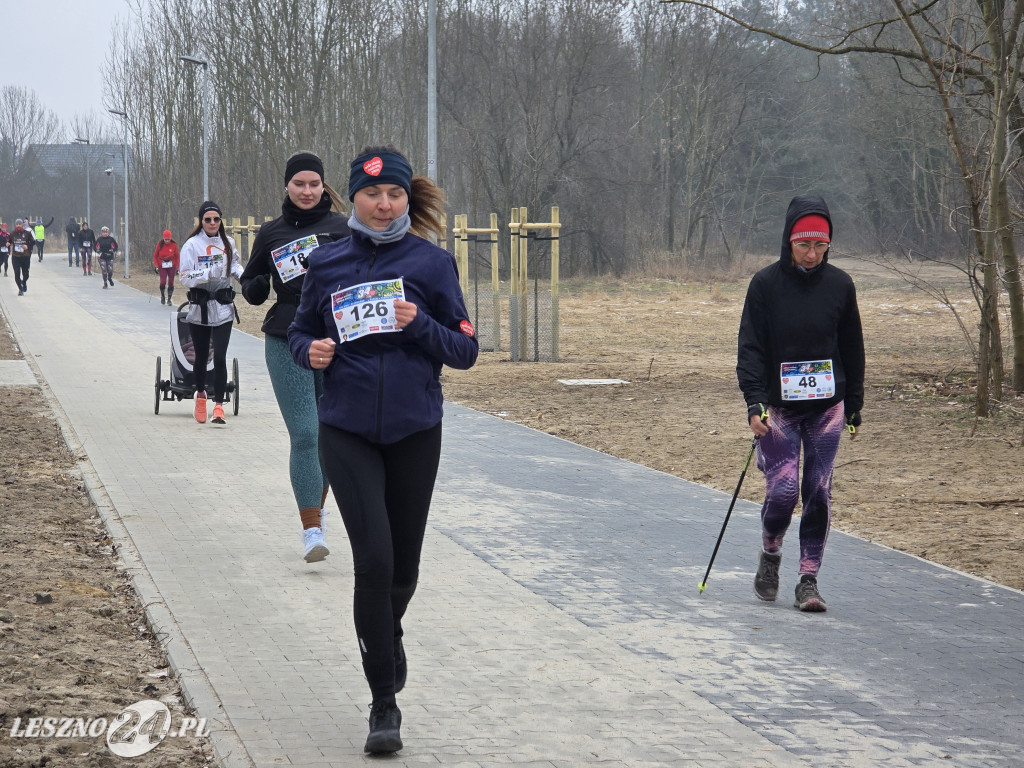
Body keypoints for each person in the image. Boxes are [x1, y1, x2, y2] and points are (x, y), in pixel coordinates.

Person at [288, 145, 478, 755]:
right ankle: (383, 705)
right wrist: (309, 350)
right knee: (372, 561)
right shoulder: (327, 262)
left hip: (415, 430)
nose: (384, 203)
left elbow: (464, 349)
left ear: (406, 198)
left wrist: (417, 323)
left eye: (394, 194)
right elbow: (299, 329)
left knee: (404, 568)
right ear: (354, 198)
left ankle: (386, 632)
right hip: (345, 429)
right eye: (372, 194)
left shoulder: (432, 264)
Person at [737, 194, 865, 613]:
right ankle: (771, 553)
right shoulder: (765, 285)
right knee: (783, 490)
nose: (812, 255)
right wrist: (754, 402)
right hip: (780, 408)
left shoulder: (841, 286)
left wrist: (855, 401)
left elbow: (852, 346)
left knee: (818, 492)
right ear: (788, 242)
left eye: (820, 246)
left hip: (827, 407)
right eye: (803, 245)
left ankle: (808, 580)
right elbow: (751, 348)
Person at [240, 151, 351, 563]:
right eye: (299, 184)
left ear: (324, 186)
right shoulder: (271, 233)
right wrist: (253, 286)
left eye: (314, 184)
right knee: (306, 433)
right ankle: (312, 531)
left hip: (338, 343)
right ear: (286, 186)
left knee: (331, 437)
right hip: (286, 340)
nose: (307, 191)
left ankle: (316, 508)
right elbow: (252, 278)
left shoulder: (344, 229)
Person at [178, 201, 243, 425]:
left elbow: (235, 266)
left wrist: (247, 279)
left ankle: (219, 406)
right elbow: (184, 277)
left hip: (224, 308)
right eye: (208, 219)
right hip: (200, 309)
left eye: (216, 219)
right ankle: (201, 397)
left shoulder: (228, 242)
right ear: (201, 222)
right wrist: (207, 273)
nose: (213, 223)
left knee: (220, 357)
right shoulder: (191, 245)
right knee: (202, 356)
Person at [152, 229, 180, 305]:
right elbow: (155, 256)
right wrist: (156, 266)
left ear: (170, 238)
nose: (167, 241)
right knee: (163, 281)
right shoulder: (160, 244)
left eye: (168, 239)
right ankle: (162, 296)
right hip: (162, 265)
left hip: (172, 265)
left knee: (171, 282)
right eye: (165, 239)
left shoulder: (174, 245)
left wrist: (178, 267)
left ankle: (169, 299)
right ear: (163, 238)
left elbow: (177, 256)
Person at [9, 220, 35, 296]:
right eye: (17, 224)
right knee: (17, 274)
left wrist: (28, 246)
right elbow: (9, 241)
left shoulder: (27, 233)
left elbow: (33, 242)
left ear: (22, 225)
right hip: (15, 257)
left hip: (25, 256)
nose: (18, 225)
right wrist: (8, 243)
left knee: (26, 274)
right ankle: (20, 289)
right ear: (15, 225)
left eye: (19, 224)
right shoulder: (12, 233)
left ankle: (23, 282)